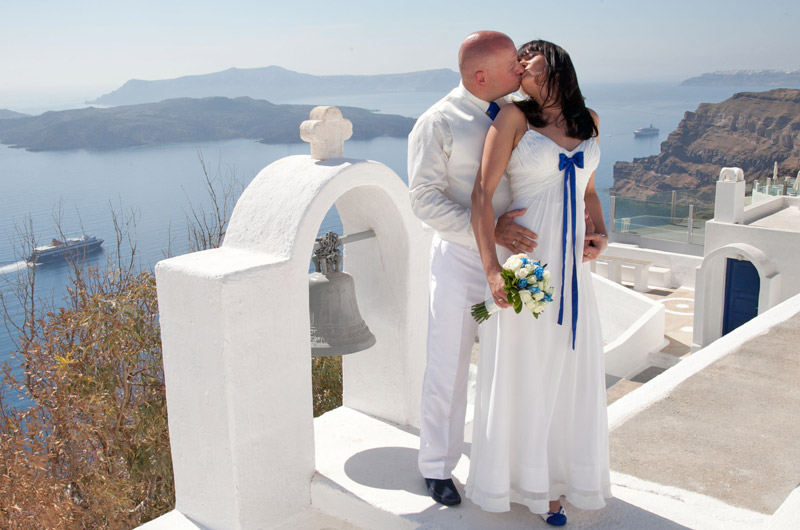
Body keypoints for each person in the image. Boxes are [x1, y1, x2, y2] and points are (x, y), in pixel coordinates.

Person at [466, 39, 612, 526]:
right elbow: (481, 197)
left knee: (569, 372)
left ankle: (564, 476)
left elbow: (588, 188)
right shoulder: (512, 118)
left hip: (573, 270)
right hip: (529, 268)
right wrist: (492, 271)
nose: (521, 61)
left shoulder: (589, 120)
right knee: (526, 370)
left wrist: (600, 231)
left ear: (555, 62)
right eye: (517, 59)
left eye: (530, 53)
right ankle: (534, 486)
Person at [407, 31, 538, 506]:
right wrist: (486, 232)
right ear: (482, 76)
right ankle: (436, 467)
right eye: (512, 66)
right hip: (462, 265)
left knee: (516, 361)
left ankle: (515, 466)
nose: (521, 72)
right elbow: (423, 200)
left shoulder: (522, 109)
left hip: (518, 263)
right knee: (450, 362)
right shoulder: (437, 122)